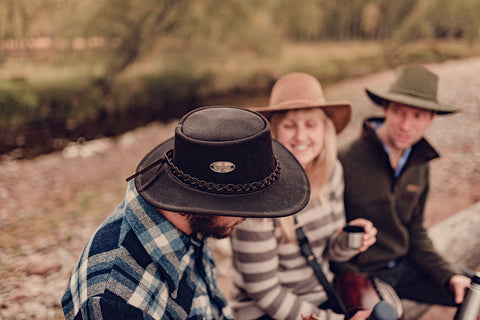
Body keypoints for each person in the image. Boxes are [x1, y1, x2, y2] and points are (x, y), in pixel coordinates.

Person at [61, 106, 311, 320]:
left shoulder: (187, 225)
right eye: (242, 204)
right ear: (201, 199)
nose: (249, 216)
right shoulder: (116, 300)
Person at [230, 72, 377, 320]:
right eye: (289, 125)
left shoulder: (331, 173)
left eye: (310, 125)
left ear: (324, 130)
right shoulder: (254, 195)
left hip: (322, 295)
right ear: (273, 133)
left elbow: (329, 254)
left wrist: (347, 242)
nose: (300, 136)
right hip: (265, 311)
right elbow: (264, 292)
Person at [331, 64, 473, 309]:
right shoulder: (344, 159)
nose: (406, 125)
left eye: (417, 115)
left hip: (405, 266)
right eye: (399, 112)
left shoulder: (421, 163)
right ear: (385, 108)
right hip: (358, 274)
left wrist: (448, 274)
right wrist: (348, 275)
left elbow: (416, 232)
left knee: (475, 296)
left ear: (431, 118)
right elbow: (329, 234)